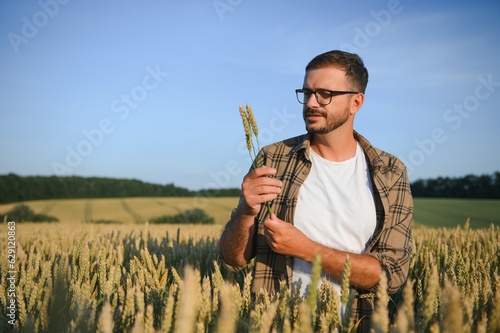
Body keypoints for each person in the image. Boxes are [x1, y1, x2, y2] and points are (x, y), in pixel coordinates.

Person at [218, 50, 413, 331]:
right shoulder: (273, 158)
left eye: (324, 94)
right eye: (306, 92)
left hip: (357, 323)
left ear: (355, 102)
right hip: (280, 321)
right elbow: (232, 260)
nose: (311, 103)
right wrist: (246, 213)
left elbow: (390, 275)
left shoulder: (391, 171)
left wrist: (307, 250)